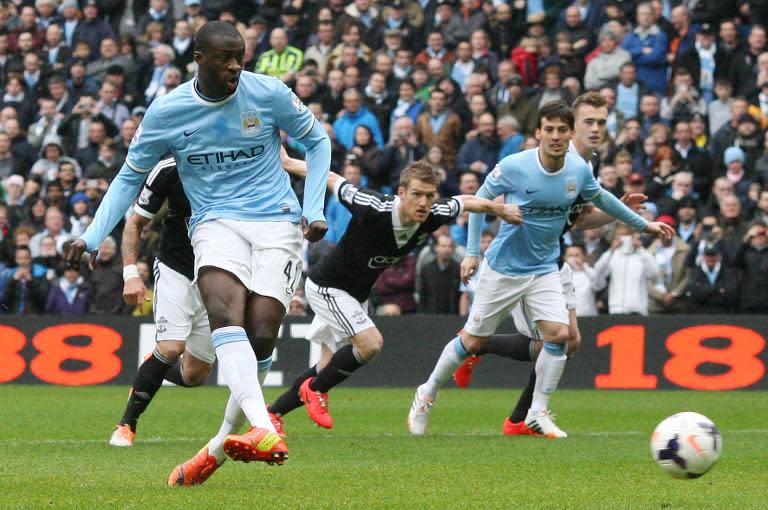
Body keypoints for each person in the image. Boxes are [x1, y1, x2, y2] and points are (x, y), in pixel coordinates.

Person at [65, 22, 331, 486]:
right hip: (212, 224)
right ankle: (265, 428)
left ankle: (217, 447)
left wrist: (313, 209)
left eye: (241, 56)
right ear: (199, 58)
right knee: (226, 316)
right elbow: (129, 177)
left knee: (262, 336)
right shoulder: (167, 112)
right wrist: (90, 237)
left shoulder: (268, 93)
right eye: (225, 58)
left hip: (276, 221)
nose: (235, 66)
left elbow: (318, 141)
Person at [408, 100, 673, 438]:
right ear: (538, 133)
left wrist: (643, 225)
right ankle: (427, 391)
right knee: (472, 341)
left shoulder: (579, 171)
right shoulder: (515, 166)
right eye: (549, 129)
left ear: (570, 133)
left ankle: (536, 412)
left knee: (560, 337)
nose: (556, 136)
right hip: (504, 268)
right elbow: (477, 202)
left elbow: (603, 200)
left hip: (545, 267)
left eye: (563, 130)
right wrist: (472, 254)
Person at [266, 159, 522, 434]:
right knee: (371, 344)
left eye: (429, 195)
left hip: (355, 295)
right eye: (416, 194)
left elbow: (468, 201)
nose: (424, 202)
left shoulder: (435, 213)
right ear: (401, 193)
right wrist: (287, 162)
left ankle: (273, 413)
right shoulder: (372, 206)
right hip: (328, 287)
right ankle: (314, 390)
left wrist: (501, 209)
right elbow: (331, 178)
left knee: (327, 366)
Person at [107, 158, 216, 448]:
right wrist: (131, 274)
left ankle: (153, 366)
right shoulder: (169, 169)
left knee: (195, 375)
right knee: (171, 347)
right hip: (175, 268)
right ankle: (126, 424)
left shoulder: (237, 162)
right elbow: (136, 222)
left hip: (217, 275)